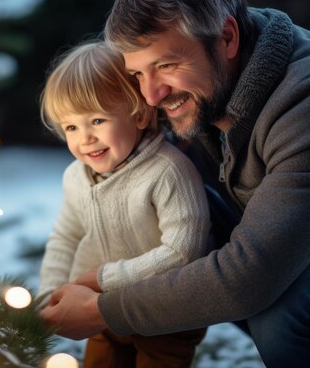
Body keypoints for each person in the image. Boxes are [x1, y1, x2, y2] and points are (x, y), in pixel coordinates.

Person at [39, 0, 310, 367]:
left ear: (227, 37)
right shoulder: (214, 76)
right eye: (138, 74)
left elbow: (249, 277)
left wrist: (102, 309)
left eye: (167, 65)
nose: (151, 96)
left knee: (294, 307)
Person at [37, 40, 211, 368]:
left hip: (165, 317)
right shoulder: (76, 177)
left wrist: (105, 279)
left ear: (140, 114)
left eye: (97, 120)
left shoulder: (168, 172)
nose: (85, 138)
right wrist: (50, 294)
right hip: (100, 314)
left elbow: (183, 252)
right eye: (71, 126)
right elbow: (65, 236)